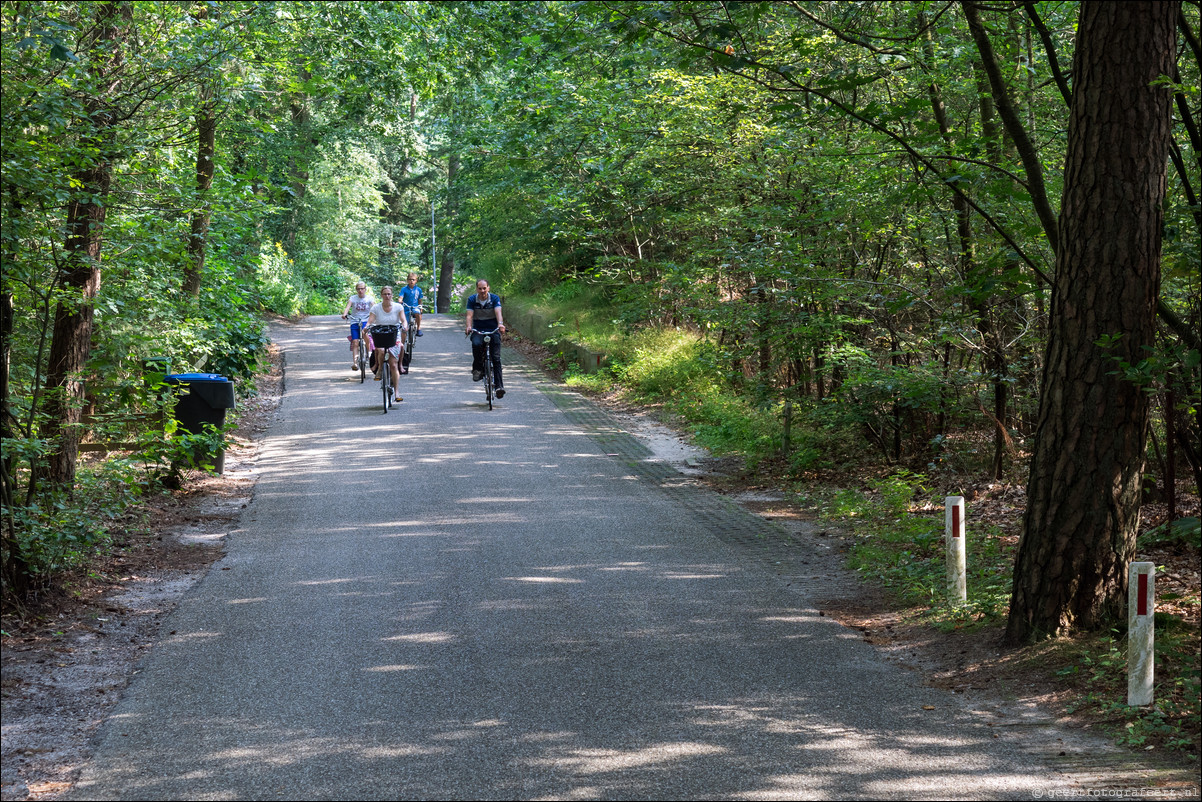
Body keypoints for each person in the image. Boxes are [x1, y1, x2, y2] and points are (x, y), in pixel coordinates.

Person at [365, 285, 407, 404]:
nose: (387, 296)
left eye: (389, 294)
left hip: (394, 333)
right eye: (385, 294)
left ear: (392, 295)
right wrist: (366, 327)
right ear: (381, 295)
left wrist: (405, 325)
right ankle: (379, 369)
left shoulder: (398, 307)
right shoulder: (376, 308)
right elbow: (370, 321)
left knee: (393, 364)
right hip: (380, 332)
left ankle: (397, 392)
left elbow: (403, 319)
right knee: (381, 350)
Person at [465, 279, 506, 399]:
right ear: (477, 289)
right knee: (476, 344)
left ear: (488, 288)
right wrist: (468, 327)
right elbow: (469, 315)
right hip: (478, 329)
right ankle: (478, 369)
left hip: (493, 329)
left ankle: (499, 387)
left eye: (484, 288)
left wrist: (500, 324)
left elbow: (498, 312)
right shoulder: (472, 299)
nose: (482, 291)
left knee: (496, 358)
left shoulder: (494, 298)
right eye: (480, 288)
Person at [340, 282, 374, 370]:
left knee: (365, 335)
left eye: (362, 289)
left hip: (366, 320)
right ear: (356, 289)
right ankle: (355, 363)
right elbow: (348, 307)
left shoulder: (369, 298)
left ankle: (369, 351)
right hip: (355, 320)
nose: (360, 290)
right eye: (358, 289)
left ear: (365, 289)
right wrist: (345, 314)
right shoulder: (353, 298)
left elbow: (374, 307)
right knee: (355, 342)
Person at [398, 272, 424, 374]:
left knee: (418, 314)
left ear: (416, 281)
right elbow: (400, 297)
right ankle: (402, 344)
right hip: (406, 309)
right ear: (407, 280)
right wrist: (400, 301)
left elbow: (420, 300)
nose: (411, 281)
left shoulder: (418, 290)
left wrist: (420, 307)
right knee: (404, 327)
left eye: (413, 280)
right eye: (410, 279)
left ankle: (418, 329)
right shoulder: (404, 289)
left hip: (415, 308)